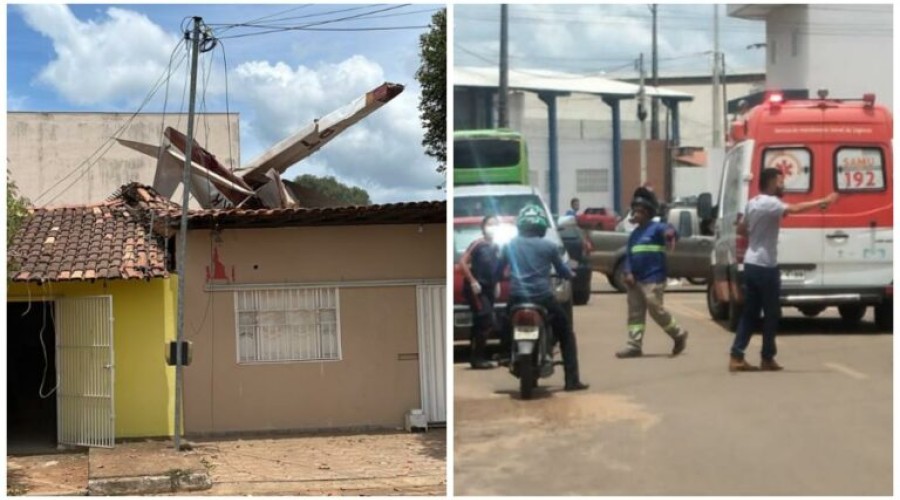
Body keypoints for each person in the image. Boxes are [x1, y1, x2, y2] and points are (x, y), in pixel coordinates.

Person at [729, 168, 839, 372]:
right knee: (772, 313)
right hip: (765, 266)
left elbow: (741, 229)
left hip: (751, 264)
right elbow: (796, 209)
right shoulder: (771, 203)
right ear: (771, 182)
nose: (783, 185)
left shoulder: (753, 202)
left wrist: (759, 227)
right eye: (780, 181)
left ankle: (737, 355)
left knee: (750, 313)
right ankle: (767, 357)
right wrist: (822, 201)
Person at [496, 204, 589, 391]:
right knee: (566, 333)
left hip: (517, 297)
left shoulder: (509, 245)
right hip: (543, 298)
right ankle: (572, 380)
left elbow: (497, 271)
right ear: (541, 227)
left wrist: (502, 276)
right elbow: (562, 270)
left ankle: (505, 354)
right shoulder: (549, 246)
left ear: (521, 225)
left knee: (504, 325)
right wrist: (570, 274)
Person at [616, 187, 689, 358]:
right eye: (635, 211)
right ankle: (634, 345)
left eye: (640, 211)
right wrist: (628, 272)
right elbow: (629, 255)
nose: (636, 214)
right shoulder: (634, 234)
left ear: (648, 213)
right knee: (635, 312)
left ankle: (678, 334)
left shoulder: (656, 228)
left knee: (656, 309)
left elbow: (670, 230)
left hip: (653, 277)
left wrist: (671, 234)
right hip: (635, 279)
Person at [461, 215, 501, 369]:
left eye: (495, 224)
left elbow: (496, 268)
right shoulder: (477, 244)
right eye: (490, 224)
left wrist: (497, 283)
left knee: (482, 323)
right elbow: (463, 263)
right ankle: (478, 358)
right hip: (477, 289)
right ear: (483, 227)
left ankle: (476, 356)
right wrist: (472, 281)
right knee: (485, 319)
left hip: (489, 288)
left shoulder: (496, 246)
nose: (492, 227)